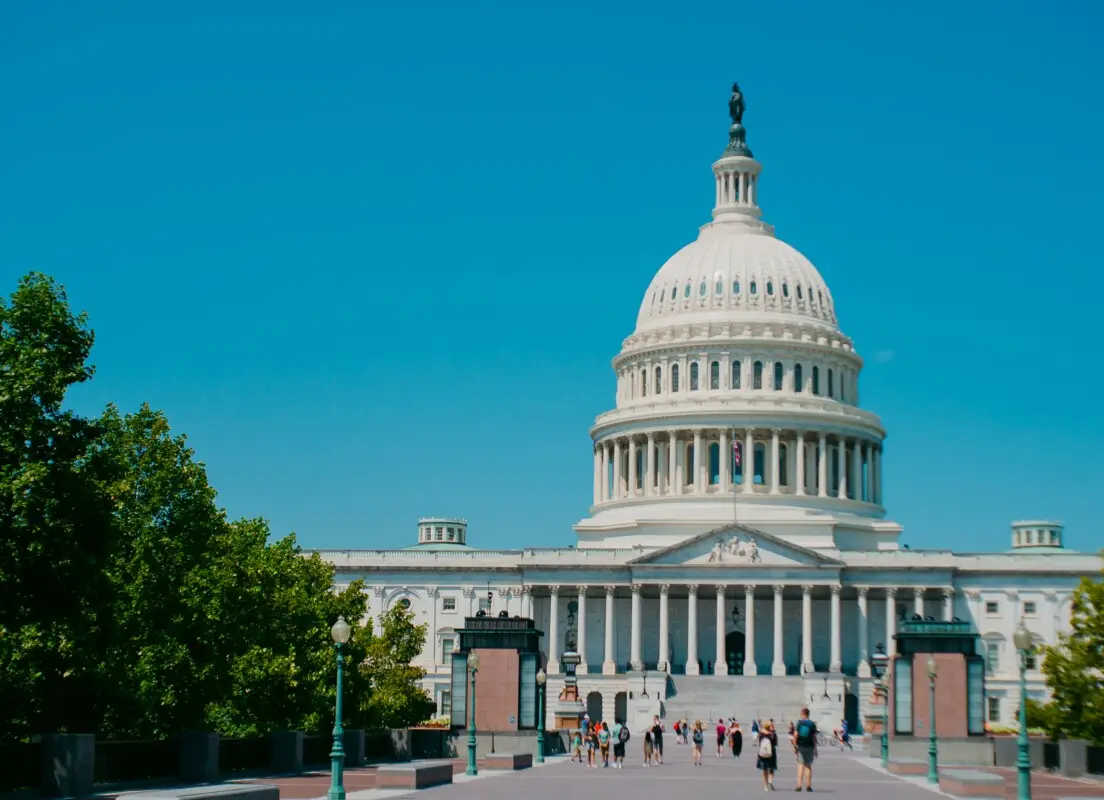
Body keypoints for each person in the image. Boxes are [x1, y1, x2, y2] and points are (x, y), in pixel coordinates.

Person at [793, 707, 818, 791]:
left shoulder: (800, 723)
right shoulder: (812, 724)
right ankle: (808, 786)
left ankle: (799, 786)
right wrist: (815, 749)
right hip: (810, 746)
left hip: (801, 746)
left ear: (803, 714)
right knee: (808, 766)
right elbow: (814, 737)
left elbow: (795, 735)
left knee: (800, 766)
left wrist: (795, 746)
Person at [756, 720, 778, 790]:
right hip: (771, 752)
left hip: (762, 753)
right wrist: (772, 731)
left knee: (764, 769)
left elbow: (759, 742)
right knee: (771, 767)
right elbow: (775, 743)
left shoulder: (761, 734)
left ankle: (765, 786)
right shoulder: (773, 734)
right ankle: (770, 780)